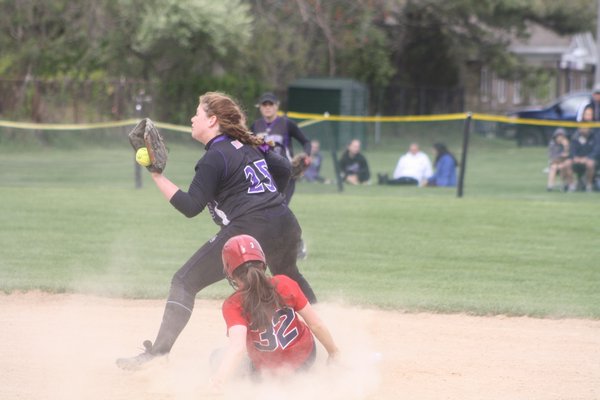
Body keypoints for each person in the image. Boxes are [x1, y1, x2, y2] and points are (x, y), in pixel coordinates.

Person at [116, 92, 317, 371]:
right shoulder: (248, 145)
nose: (192, 118)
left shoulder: (214, 157)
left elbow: (190, 206)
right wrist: (271, 201)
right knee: (289, 277)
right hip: (285, 221)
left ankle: (158, 354)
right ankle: (321, 344)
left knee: (184, 282)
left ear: (212, 120)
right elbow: (283, 168)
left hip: (250, 228)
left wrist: (156, 175)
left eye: (197, 113)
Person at [208, 234, 339, 392]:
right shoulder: (285, 283)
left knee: (217, 356)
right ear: (262, 262)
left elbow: (238, 348)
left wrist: (219, 380)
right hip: (305, 360)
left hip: (267, 372)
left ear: (230, 273)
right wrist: (334, 352)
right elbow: (316, 325)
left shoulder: (233, 304)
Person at [250, 92, 311, 205]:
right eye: (264, 104)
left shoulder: (287, 124)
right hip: (264, 174)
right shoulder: (255, 125)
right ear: (260, 107)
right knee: (263, 209)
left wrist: (306, 154)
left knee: (281, 206)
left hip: (285, 173)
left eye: (270, 104)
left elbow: (306, 142)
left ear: (277, 106)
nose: (267, 107)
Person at [565, 106, 600, 192]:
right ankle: (571, 186)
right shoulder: (575, 136)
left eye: (585, 127)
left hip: (589, 159)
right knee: (567, 163)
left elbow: (596, 149)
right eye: (582, 126)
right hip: (577, 159)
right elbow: (572, 149)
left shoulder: (595, 135)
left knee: (590, 164)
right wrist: (574, 157)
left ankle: (588, 185)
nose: (583, 128)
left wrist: (587, 158)